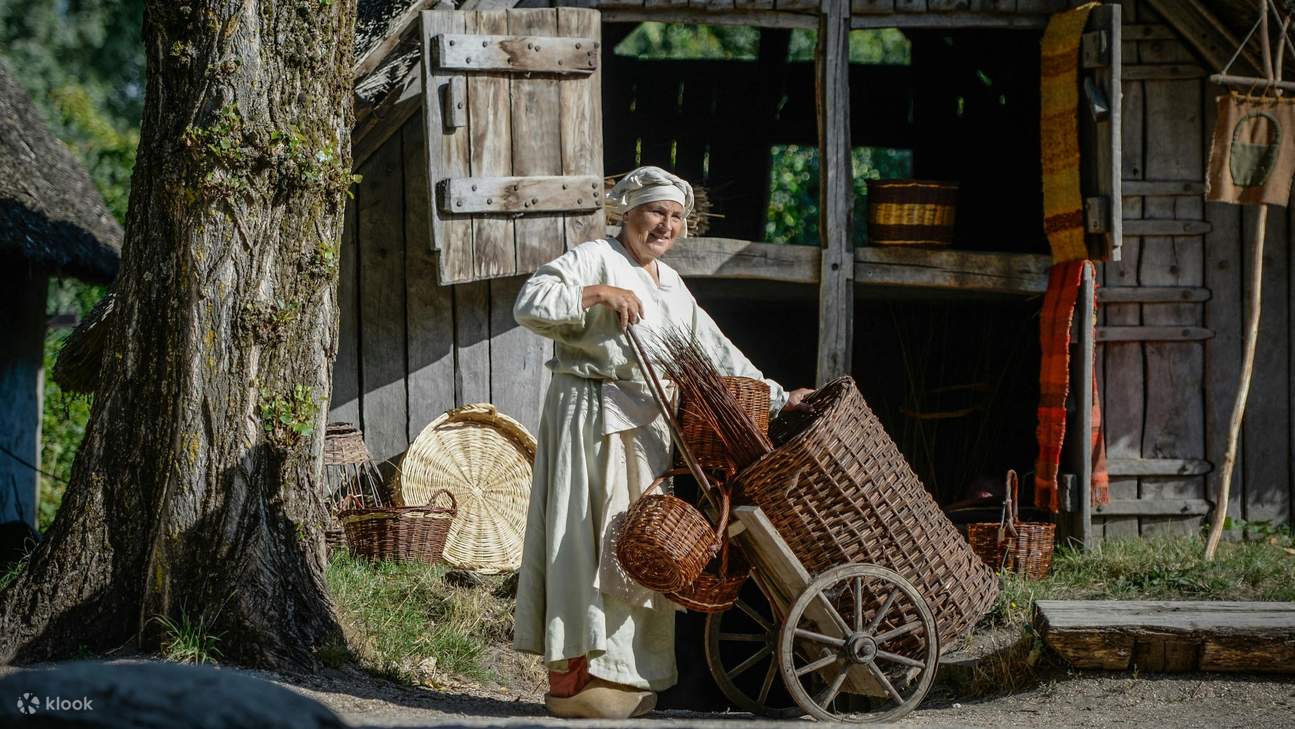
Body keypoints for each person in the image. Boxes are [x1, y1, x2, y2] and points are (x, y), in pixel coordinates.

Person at [511, 166, 812, 719]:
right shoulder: (594, 258)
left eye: (676, 216)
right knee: (585, 541)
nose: (665, 225)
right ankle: (576, 680)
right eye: (656, 212)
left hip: (649, 427)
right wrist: (599, 292)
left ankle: (628, 675)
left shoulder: (671, 284)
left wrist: (777, 395)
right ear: (627, 212)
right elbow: (530, 303)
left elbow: (718, 356)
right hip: (590, 414)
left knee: (639, 545)